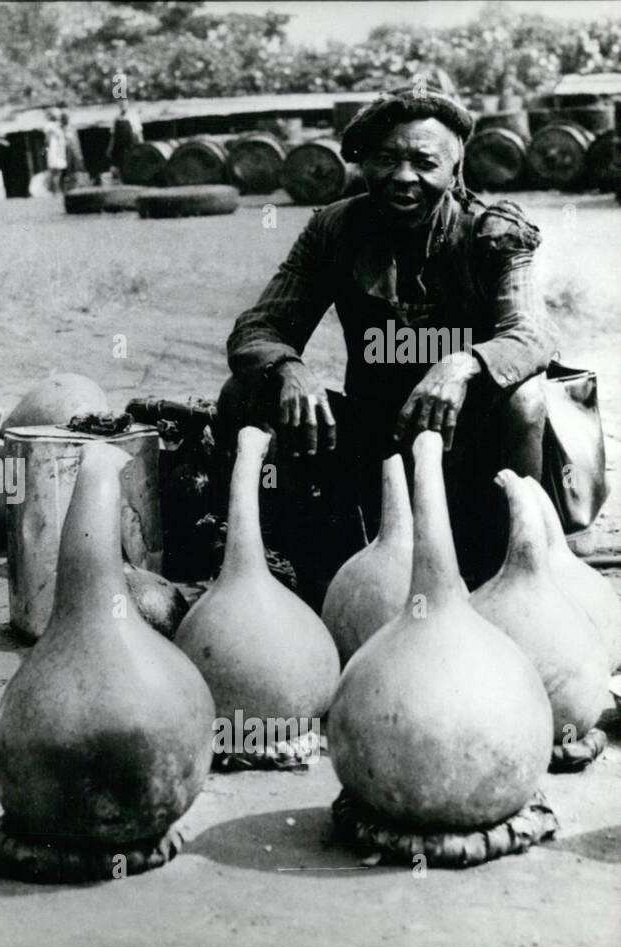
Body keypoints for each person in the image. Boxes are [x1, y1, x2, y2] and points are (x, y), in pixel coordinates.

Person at [216, 84, 550, 605]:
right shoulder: (334, 228)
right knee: (245, 393)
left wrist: (465, 363)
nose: (403, 177)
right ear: (362, 163)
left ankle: (509, 579)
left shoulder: (491, 232)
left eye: (423, 162)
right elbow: (259, 326)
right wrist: (287, 368)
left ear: (455, 170)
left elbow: (532, 334)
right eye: (386, 159)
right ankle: (316, 579)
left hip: (468, 448)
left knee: (527, 398)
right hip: (372, 440)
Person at [106, 99, 143, 180]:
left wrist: (141, 145)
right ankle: (121, 179)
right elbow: (113, 135)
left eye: (124, 104)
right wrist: (110, 147)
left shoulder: (133, 116)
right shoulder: (116, 118)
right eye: (121, 104)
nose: (123, 106)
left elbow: (139, 132)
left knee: (131, 161)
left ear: (127, 105)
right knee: (119, 163)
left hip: (130, 143)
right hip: (119, 145)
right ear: (119, 106)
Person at [43, 109, 67, 194]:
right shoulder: (50, 126)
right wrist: (46, 149)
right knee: (55, 171)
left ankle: (57, 190)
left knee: (58, 171)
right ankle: (54, 190)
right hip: (54, 149)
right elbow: (48, 139)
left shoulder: (57, 125)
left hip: (59, 149)